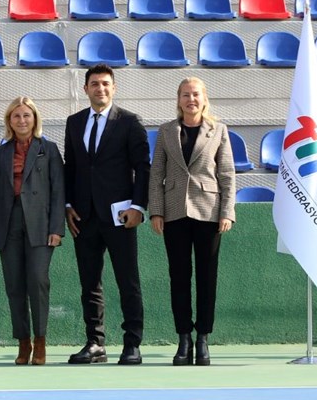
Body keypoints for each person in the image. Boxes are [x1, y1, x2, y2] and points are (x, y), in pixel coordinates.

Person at [63, 64, 151, 366]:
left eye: (105, 84)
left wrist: (138, 207)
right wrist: (68, 205)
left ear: (113, 88)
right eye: (94, 84)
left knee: (128, 281)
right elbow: (71, 167)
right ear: (85, 88)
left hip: (120, 216)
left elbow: (143, 167)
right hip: (84, 217)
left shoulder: (129, 122)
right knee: (90, 283)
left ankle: (132, 344)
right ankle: (95, 343)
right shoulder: (74, 123)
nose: (100, 89)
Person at [148, 77, 235, 366]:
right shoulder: (166, 131)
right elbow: (156, 173)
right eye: (185, 95)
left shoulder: (218, 131)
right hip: (174, 212)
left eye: (195, 94)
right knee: (179, 277)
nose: (191, 100)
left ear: (204, 98)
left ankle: (203, 338)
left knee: (207, 277)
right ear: (178, 99)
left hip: (209, 211)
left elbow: (227, 174)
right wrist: (156, 211)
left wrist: (227, 211)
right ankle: (184, 337)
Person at [0, 97, 64, 365]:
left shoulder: (50, 149)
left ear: (34, 119)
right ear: (9, 120)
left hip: (41, 226)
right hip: (8, 225)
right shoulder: (0, 153)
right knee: (14, 285)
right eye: (16, 116)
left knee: (38, 281)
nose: (21, 120)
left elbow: (58, 191)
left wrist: (57, 228)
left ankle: (40, 341)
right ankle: (23, 342)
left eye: (26, 116)